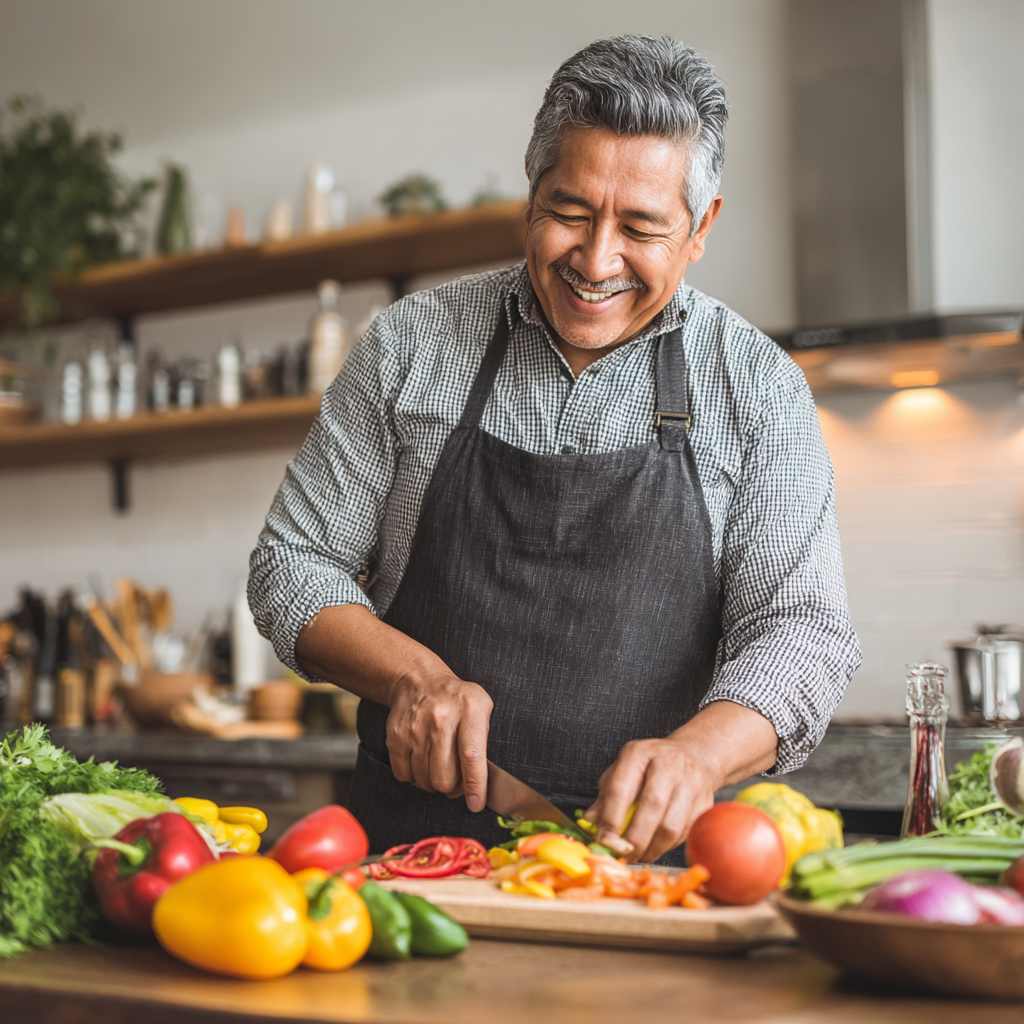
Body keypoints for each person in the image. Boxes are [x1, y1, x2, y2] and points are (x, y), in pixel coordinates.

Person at [249, 35, 860, 865]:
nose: (596, 259)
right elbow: (290, 563)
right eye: (570, 213)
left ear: (701, 226)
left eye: (641, 226)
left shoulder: (757, 386)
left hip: (648, 880)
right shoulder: (410, 345)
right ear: (531, 192)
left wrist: (702, 756)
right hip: (413, 870)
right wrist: (411, 677)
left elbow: (802, 631)